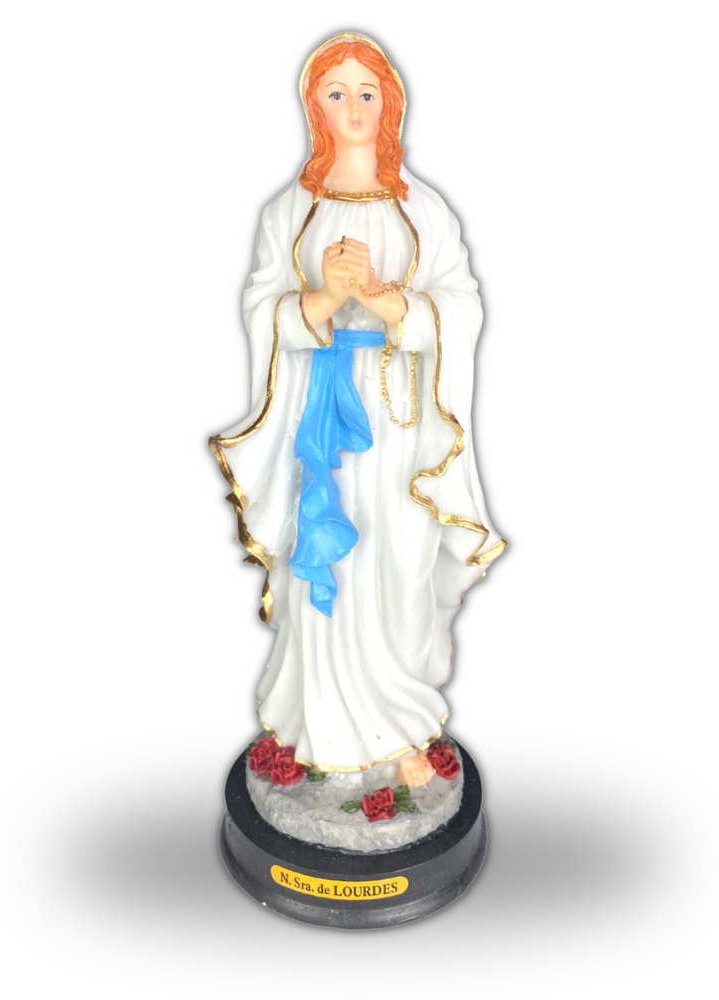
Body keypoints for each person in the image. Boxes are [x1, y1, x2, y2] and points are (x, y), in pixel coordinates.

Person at [210, 33, 505, 773]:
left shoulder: (422, 209)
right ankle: (321, 727)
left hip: (398, 416)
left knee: (397, 556)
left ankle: (397, 725)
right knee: (328, 559)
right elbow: (259, 308)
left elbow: (462, 306)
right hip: (317, 416)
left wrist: (382, 298)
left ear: (390, 104)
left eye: (366, 92)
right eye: (335, 93)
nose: (352, 108)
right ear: (314, 106)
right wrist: (321, 299)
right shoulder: (291, 210)